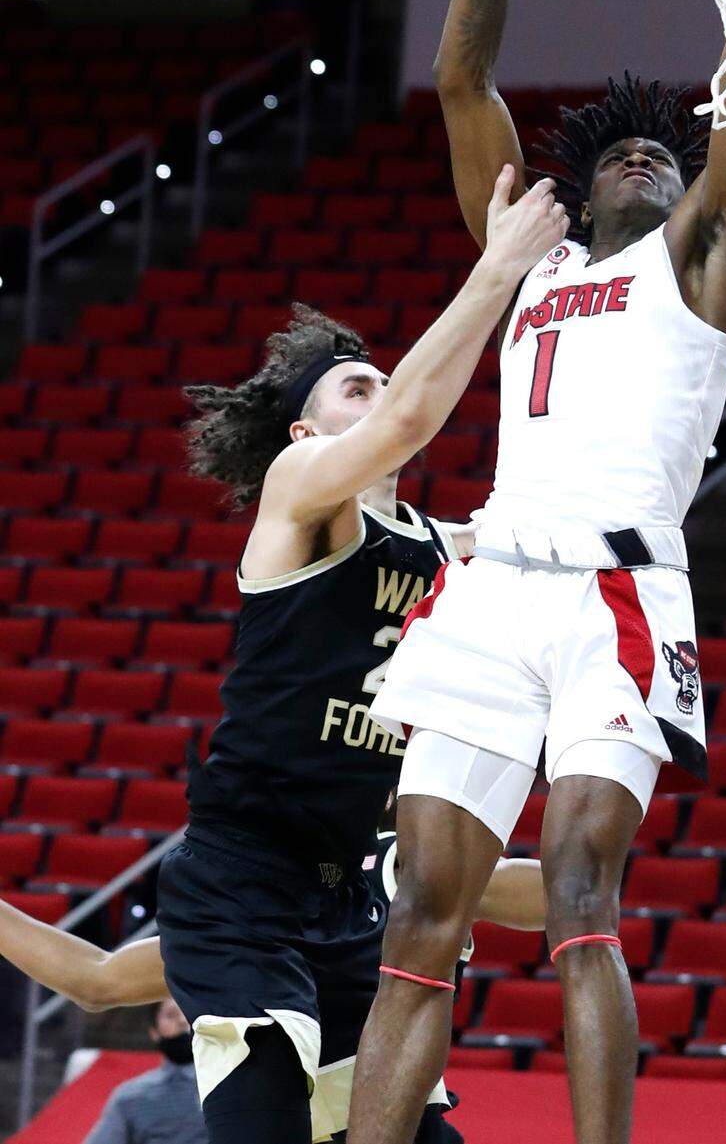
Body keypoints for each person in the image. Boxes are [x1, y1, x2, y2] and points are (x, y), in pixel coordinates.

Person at [350, 0, 726, 1144]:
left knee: (583, 893)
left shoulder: (699, 258)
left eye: (669, 149)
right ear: (587, 183)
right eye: (626, 151)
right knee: (421, 908)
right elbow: (465, 85)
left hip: (615, 594)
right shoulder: (528, 253)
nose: (651, 158)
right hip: (488, 592)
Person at [155, 167, 567, 1144]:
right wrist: (499, 265)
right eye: (358, 386)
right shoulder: (298, 488)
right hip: (242, 878)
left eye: (384, 379)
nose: (383, 394)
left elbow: (542, 538)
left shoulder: (438, 540)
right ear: (306, 429)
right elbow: (411, 419)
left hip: (345, 890)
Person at [0, 826, 545, 1144]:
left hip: (403, 1125)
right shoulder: (234, 912)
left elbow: (559, 898)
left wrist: (464, 878)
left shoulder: (393, 862)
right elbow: (96, 980)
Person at [81, 998, 205, 1144]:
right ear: (154, 1032)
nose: (183, 1021)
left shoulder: (230, 1086)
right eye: (171, 1015)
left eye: (190, 1014)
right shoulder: (131, 1097)